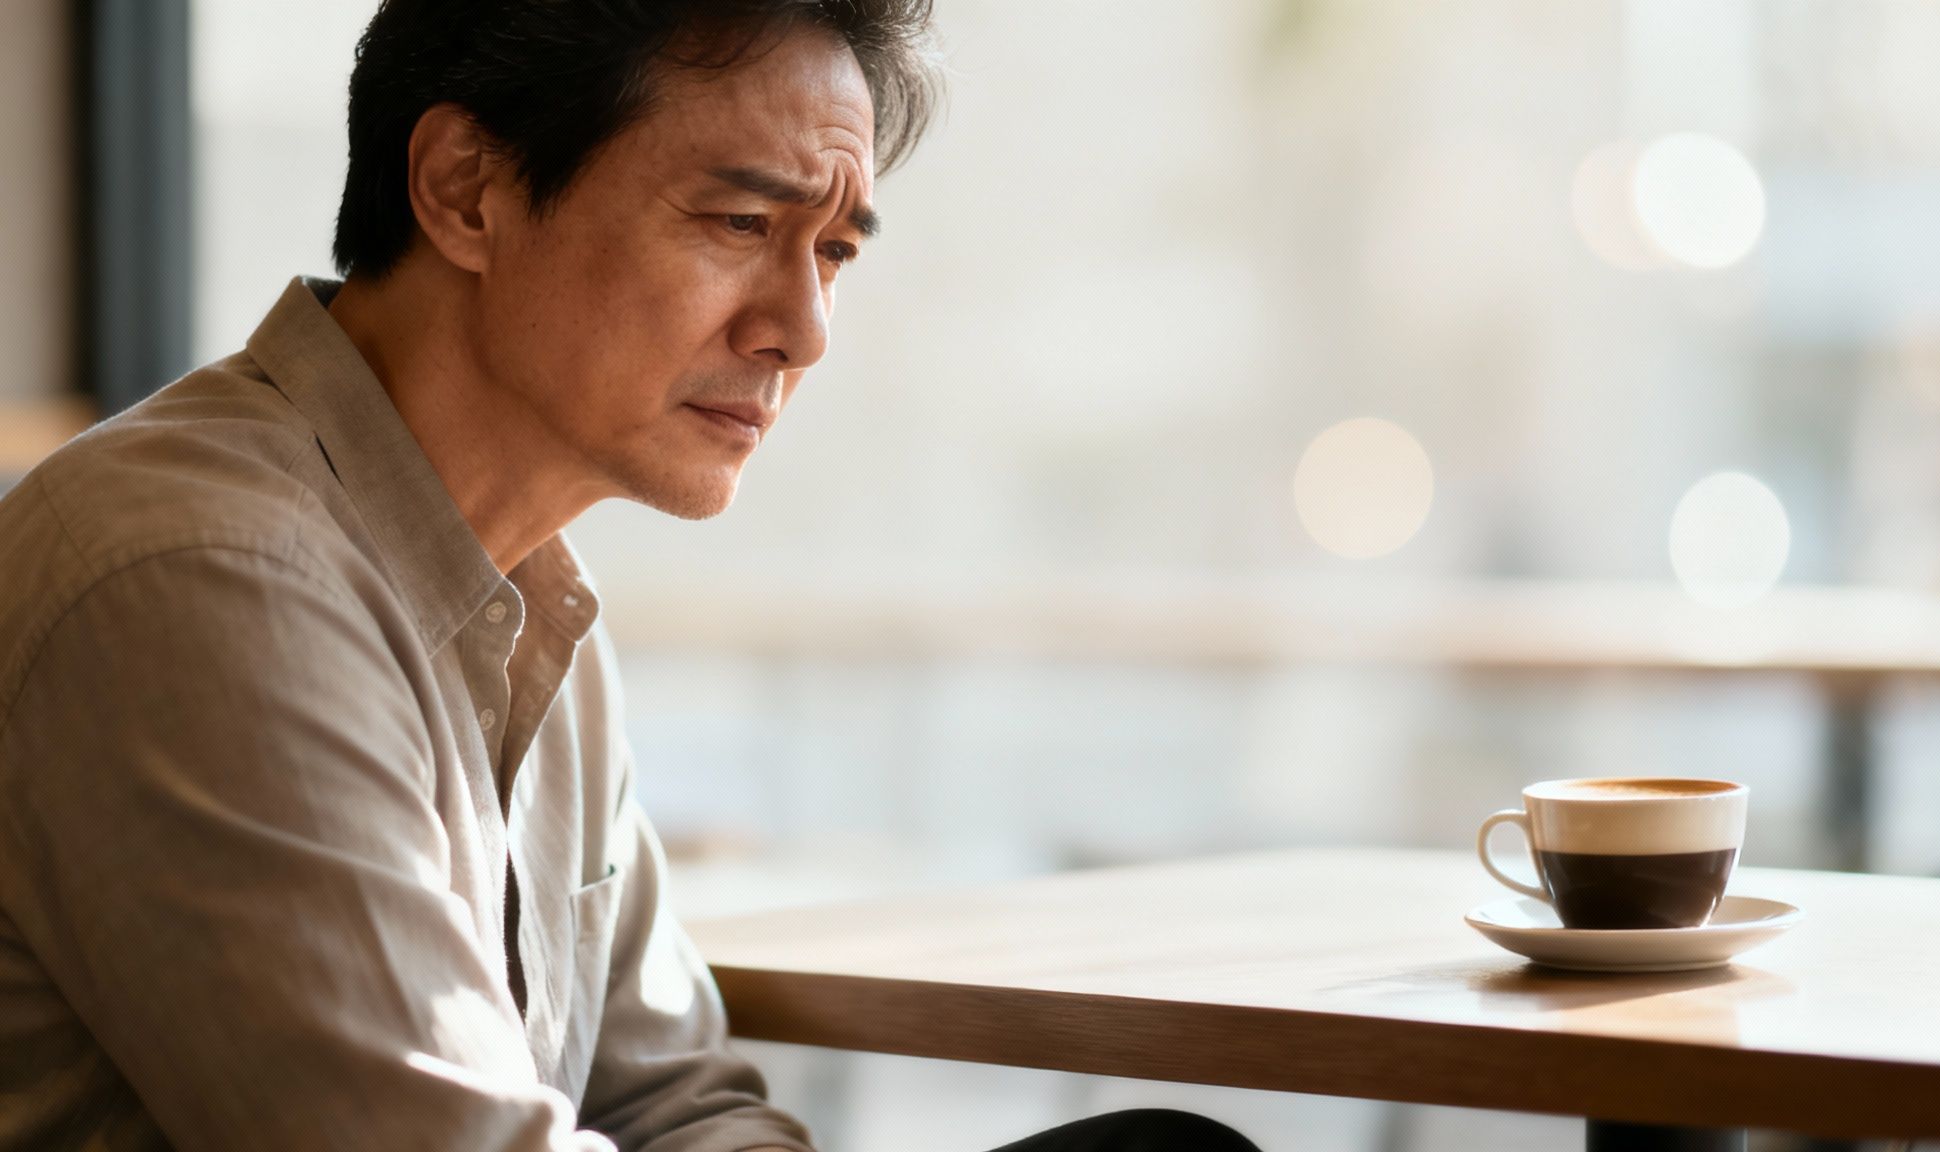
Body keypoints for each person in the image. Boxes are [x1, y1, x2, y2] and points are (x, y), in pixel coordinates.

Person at [0, 2, 1263, 1151]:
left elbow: (666, 1099)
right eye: (742, 224)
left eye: (830, 253)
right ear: (466, 189)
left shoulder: (531, 600)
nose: (802, 332)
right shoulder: (205, 576)